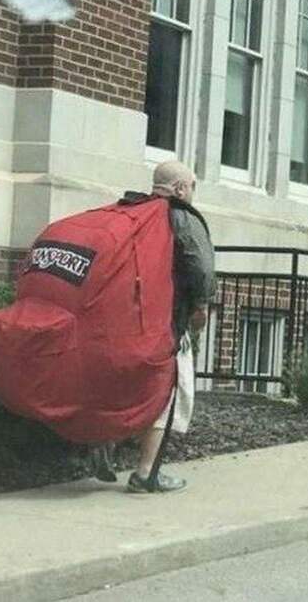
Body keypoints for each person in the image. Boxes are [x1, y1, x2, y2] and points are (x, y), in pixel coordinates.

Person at [91, 161, 216, 493]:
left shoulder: (135, 211)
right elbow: (201, 268)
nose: (192, 192)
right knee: (166, 393)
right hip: (166, 325)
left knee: (131, 387)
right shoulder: (182, 217)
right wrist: (201, 306)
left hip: (127, 320)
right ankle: (146, 473)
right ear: (179, 189)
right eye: (192, 186)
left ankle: (106, 440)